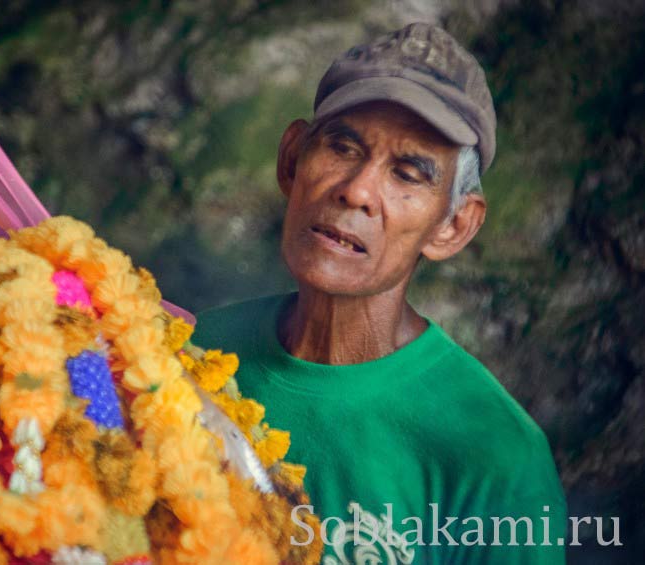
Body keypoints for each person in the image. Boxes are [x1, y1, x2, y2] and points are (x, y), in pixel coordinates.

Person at [193, 22, 567, 564]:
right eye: (342, 147)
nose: (358, 190)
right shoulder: (194, 353)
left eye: (408, 175)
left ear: (453, 226)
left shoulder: (494, 457)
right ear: (291, 158)